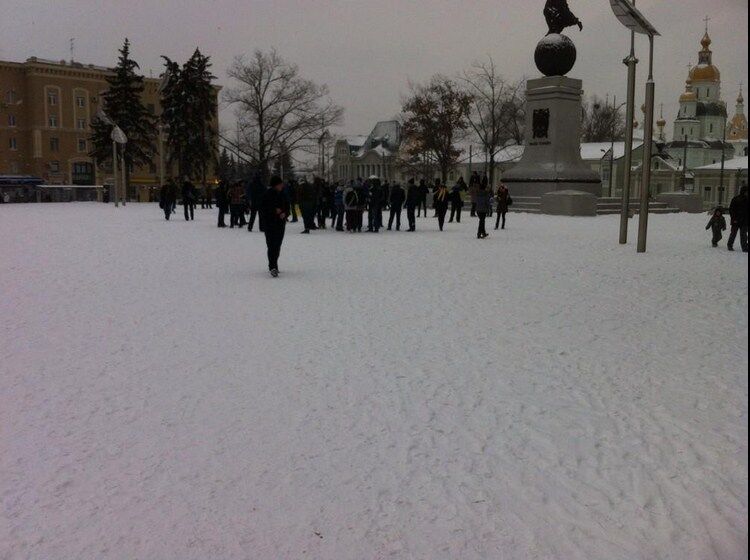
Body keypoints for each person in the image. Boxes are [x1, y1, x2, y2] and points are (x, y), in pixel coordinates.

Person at [260, 175, 289, 277]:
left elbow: (287, 206)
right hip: (270, 223)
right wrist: (274, 211)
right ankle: (273, 266)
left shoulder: (283, 194)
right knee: (271, 245)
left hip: (280, 223)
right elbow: (263, 209)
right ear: (275, 185)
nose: (282, 185)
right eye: (280, 184)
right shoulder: (267, 194)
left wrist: (285, 213)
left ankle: (274, 264)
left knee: (277, 245)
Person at [727, 184, 748, 252]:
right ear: (743, 191)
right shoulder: (736, 199)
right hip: (736, 220)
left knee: (743, 235)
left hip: (744, 221)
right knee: (733, 234)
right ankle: (729, 245)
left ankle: (744, 248)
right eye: (746, 191)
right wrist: (734, 219)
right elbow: (731, 210)